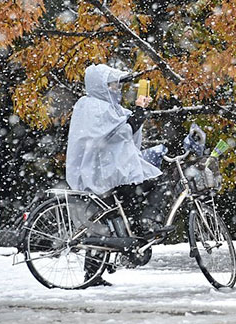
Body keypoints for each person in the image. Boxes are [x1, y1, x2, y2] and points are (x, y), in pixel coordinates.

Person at [66, 63, 170, 236]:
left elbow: (124, 129)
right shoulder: (96, 106)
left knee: (124, 207)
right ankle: (143, 225)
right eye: (112, 84)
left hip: (103, 169)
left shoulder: (100, 106)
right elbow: (121, 133)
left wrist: (139, 111)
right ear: (100, 86)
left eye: (117, 84)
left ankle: (135, 231)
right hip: (104, 173)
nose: (117, 88)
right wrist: (139, 111)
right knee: (157, 182)